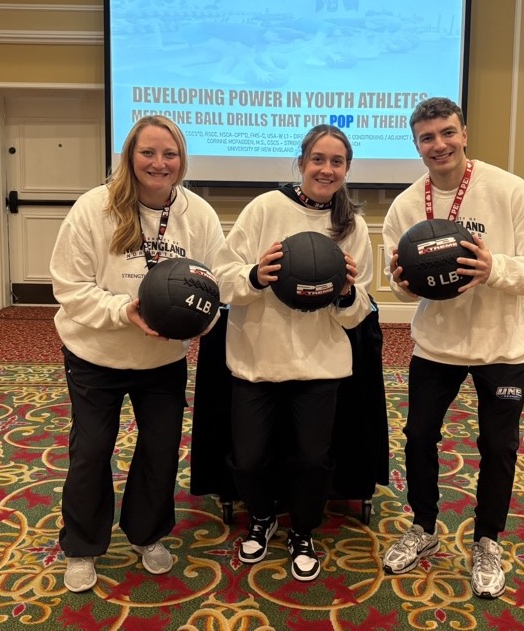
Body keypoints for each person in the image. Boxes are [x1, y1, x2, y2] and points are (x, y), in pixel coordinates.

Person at [380, 97, 524, 599]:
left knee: (498, 447)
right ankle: (423, 527)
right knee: (419, 437)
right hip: (436, 346)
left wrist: (494, 269)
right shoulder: (404, 204)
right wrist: (403, 284)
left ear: (464, 134)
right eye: (427, 137)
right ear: (415, 144)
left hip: (502, 346)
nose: (438, 144)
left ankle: (487, 539)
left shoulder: (510, 191)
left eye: (447, 133)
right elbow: (397, 285)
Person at [50, 115, 225, 593]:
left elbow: (217, 283)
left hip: (162, 361)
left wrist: (198, 322)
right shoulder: (94, 208)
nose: (159, 162)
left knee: (160, 451)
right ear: (130, 156)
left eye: (169, 154)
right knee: (90, 452)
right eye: (148, 152)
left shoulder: (199, 215)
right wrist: (124, 311)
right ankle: (82, 546)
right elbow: (69, 287)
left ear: (181, 161)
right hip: (94, 355)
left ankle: (147, 535)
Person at [212, 124, 374, 582]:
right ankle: (261, 519)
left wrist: (344, 293)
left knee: (311, 460)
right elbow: (222, 278)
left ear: (346, 169)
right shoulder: (264, 208)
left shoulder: (352, 226)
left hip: (319, 363)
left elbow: (359, 309)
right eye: (318, 159)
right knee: (248, 458)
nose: (326, 169)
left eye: (337, 161)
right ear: (301, 162)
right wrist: (255, 275)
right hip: (256, 360)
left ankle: (303, 529)